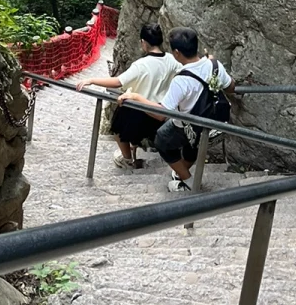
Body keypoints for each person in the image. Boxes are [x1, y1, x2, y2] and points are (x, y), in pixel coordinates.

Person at [123, 27, 235, 193]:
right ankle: (181, 173)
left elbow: (161, 114)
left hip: (189, 125)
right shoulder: (214, 64)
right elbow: (231, 87)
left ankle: (189, 181)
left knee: (162, 140)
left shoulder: (181, 80)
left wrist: (136, 98)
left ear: (176, 52)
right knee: (192, 145)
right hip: (212, 121)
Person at [76, 23, 178, 169]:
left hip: (137, 110)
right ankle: (134, 151)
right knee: (138, 134)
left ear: (143, 42)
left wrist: (91, 80)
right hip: (159, 111)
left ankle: (127, 159)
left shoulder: (141, 65)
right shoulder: (171, 60)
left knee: (117, 129)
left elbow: (118, 82)